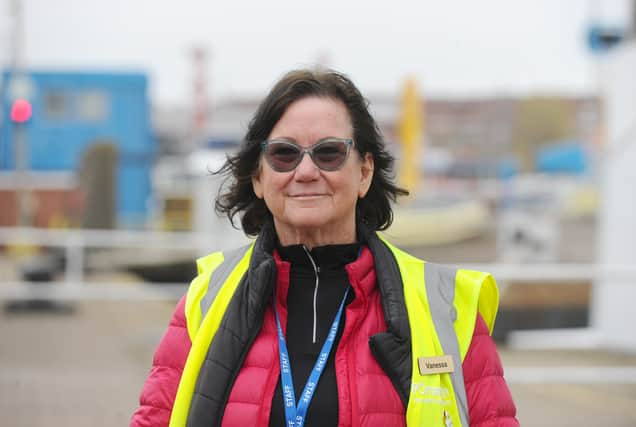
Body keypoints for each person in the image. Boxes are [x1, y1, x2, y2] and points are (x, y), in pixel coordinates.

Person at [131, 69, 518, 427]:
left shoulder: (446, 308)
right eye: (284, 154)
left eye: (328, 152)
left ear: (365, 172)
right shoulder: (206, 299)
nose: (305, 171)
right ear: (259, 178)